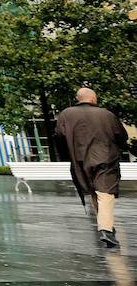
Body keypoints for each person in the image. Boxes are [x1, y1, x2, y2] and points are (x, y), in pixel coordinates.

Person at [55, 87, 128, 248]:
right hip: (105, 158)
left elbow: (59, 136)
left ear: (78, 99)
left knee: (96, 192)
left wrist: (67, 154)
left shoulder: (66, 114)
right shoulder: (106, 115)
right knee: (105, 193)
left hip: (80, 159)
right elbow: (122, 136)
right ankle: (106, 229)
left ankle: (106, 226)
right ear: (94, 99)